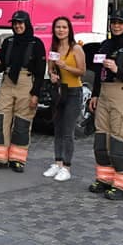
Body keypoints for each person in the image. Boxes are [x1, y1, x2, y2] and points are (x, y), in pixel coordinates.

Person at [87, 9, 123, 200]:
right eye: (114, 22)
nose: (116, 26)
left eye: (120, 23)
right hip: (104, 94)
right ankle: (105, 179)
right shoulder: (105, 45)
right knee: (102, 141)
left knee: (121, 141)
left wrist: (117, 69)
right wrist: (95, 95)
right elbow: (98, 73)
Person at [0, 10, 46, 173]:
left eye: (20, 23)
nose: (17, 26)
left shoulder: (36, 44)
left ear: (27, 24)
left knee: (22, 123)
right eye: (15, 23)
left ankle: (17, 159)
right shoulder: (8, 42)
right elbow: (1, 66)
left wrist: (35, 94)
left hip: (27, 82)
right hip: (8, 81)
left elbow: (40, 72)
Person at [43, 17, 87, 182]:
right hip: (59, 91)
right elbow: (50, 69)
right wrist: (52, 75)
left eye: (64, 27)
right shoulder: (53, 48)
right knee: (58, 129)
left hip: (73, 92)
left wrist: (65, 66)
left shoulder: (76, 49)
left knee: (68, 131)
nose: (60, 30)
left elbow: (82, 71)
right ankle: (57, 163)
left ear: (69, 30)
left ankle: (67, 167)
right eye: (57, 27)